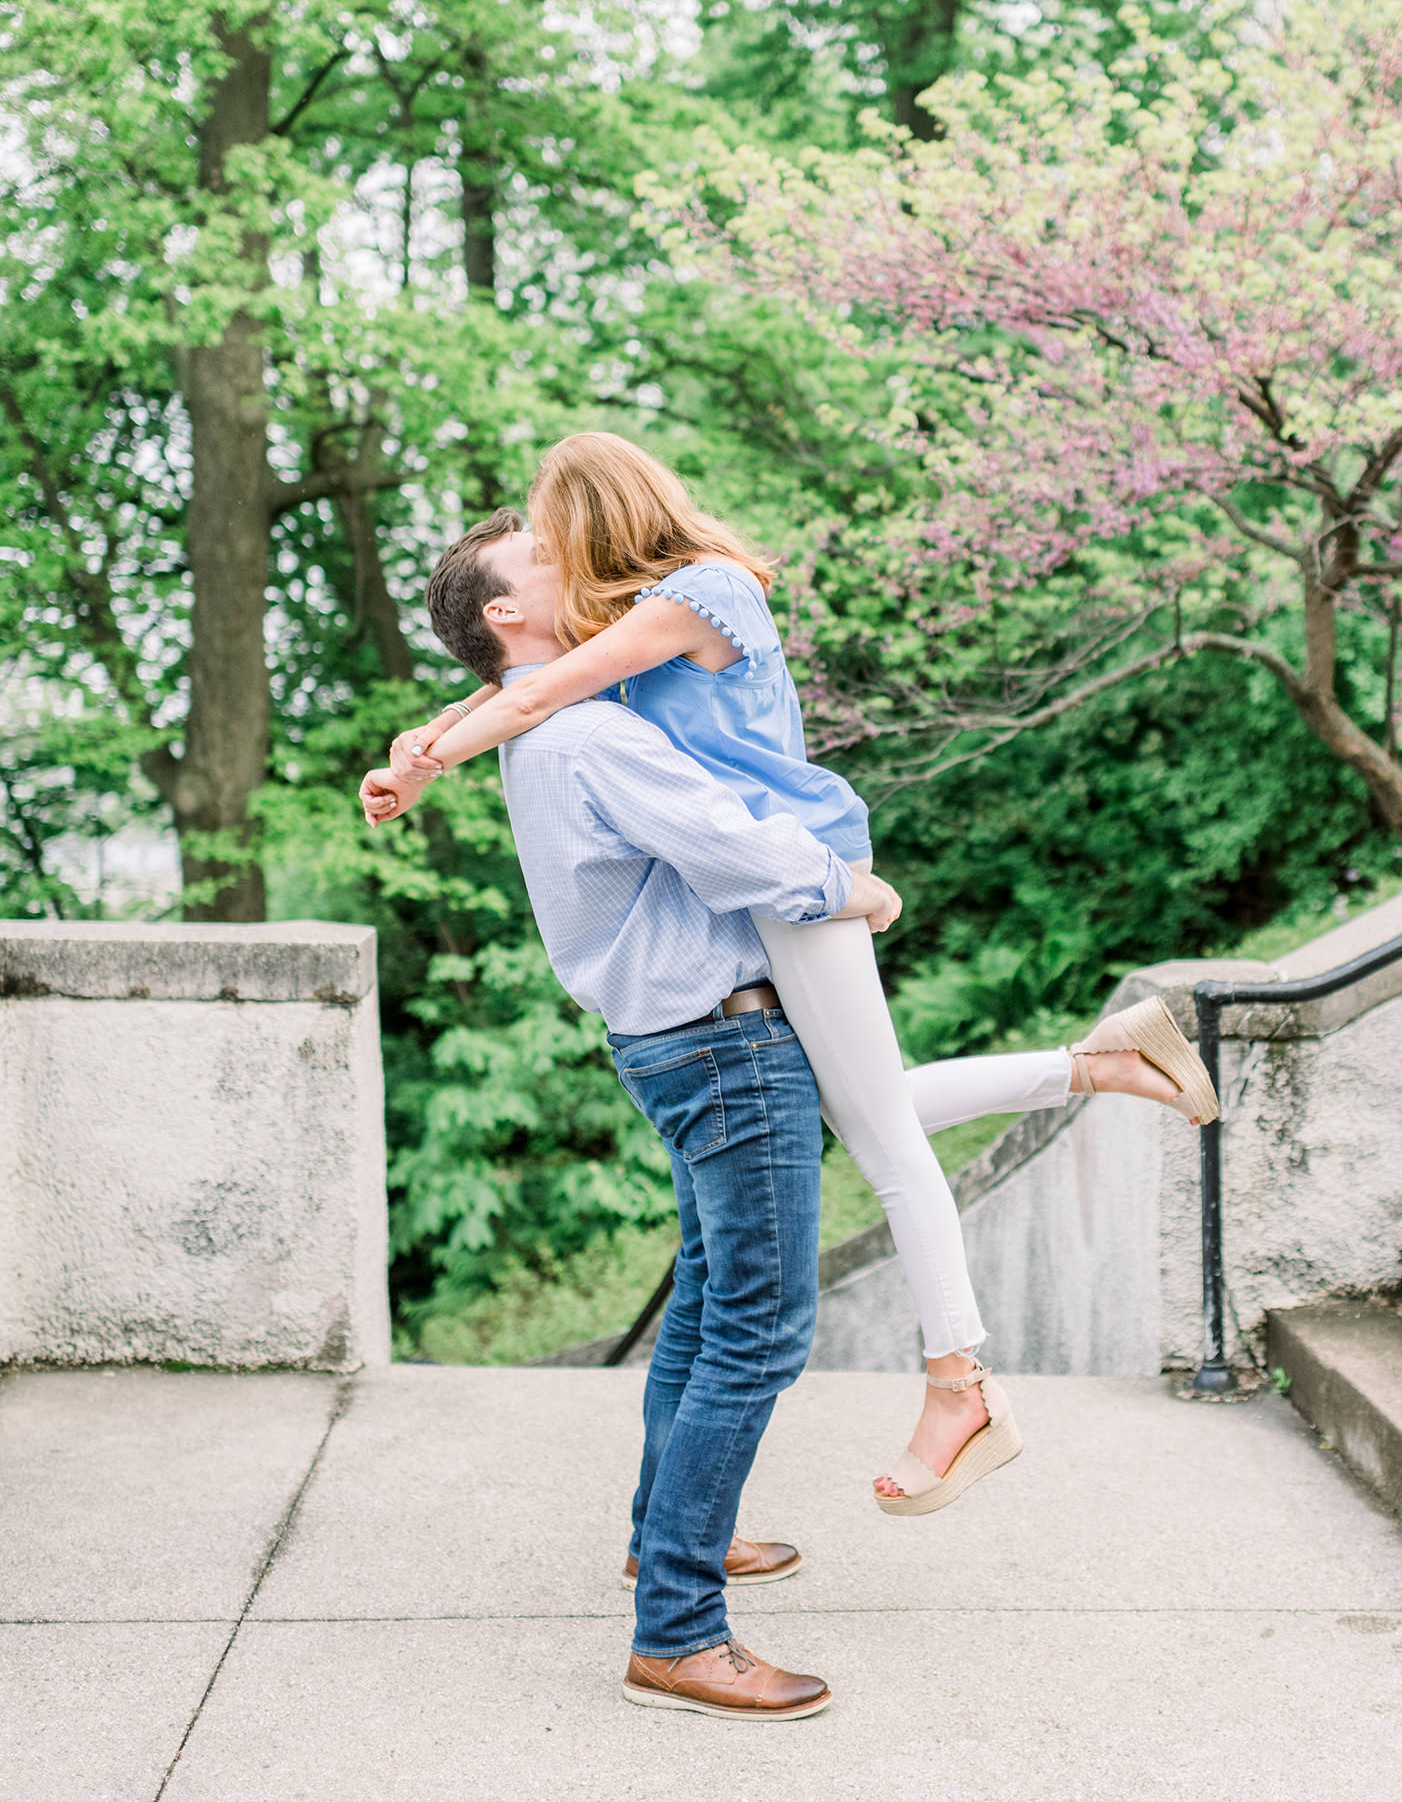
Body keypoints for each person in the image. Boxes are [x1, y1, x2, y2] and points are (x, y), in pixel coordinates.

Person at [365, 437, 1219, 1513]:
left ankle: (961, 1384)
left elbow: (543, 694)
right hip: (768, 880)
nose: (550, 555)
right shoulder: (633, 620)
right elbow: (535, 681)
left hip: (794, 869)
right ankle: (1097, 1065)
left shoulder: (703, 592)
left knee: (885, 1145)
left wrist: (425, 762)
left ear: (601, 515)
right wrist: (436, 729)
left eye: (549, 532)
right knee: (857, 1108)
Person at [362, 510, 901, 1718]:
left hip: (683, 1040)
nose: (580, 567)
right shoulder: (585, 735)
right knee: (756, 1330)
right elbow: (731, 846)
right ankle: (677, 1629)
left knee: (710, 1305)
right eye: (547, 564)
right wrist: (856, 889)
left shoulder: (546, 724)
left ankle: (669, 1544)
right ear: (505, 614)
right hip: (722, 1041)